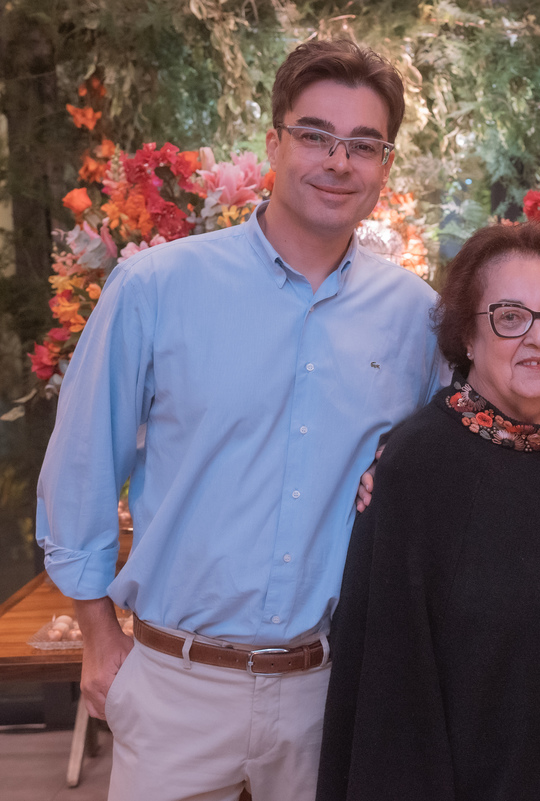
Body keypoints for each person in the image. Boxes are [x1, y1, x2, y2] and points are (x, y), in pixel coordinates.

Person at [35, 40, 445, 801]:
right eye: (316, 135)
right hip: (174, 685)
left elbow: (444, 472)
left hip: (331, 689)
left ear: (385, 166)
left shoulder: (416, 318)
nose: (339, 161)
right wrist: (96, 634)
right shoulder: (156, 287)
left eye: (364, 145)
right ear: (274, 144)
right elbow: (83, 462)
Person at [316, 222, 540, 801]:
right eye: (510, 317)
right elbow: (389, 690)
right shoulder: (418, 466)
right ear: (466, 337)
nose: (539, 337)